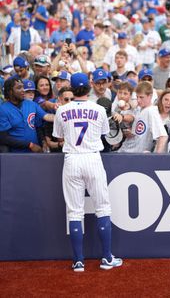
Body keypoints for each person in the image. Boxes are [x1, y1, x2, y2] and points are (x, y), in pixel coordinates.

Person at [52, 72, 123, 272]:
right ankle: (106, 258)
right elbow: (103, 134)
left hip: (72, 159)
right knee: (103, 208)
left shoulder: (61, 110)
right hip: (92, 157)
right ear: (89, 86)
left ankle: (78, 261)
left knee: (74, 211)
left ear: (71, 88)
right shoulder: (99, 109)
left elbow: (58, 138)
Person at [0, 77, 54, 153]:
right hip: (15, 155)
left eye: (23, 87)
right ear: (10, 92)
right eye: (19, 88)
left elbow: (47, 116)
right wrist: (29, 145)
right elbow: (3, 138)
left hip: (35, 153)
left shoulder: (31, 104)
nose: (23, 90)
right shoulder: (3, 109)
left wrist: (62, 114)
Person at [118, 81, 167, 153]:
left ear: (150, 96)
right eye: (137, 97)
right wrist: (131, 132)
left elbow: (163, 136)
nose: (138, 100)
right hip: (126, 150)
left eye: (141, 97)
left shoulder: (152, 111)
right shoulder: (140, 109)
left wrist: (157, 158)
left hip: (136, 156)